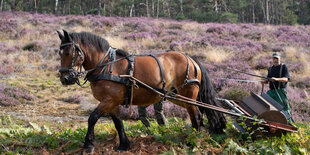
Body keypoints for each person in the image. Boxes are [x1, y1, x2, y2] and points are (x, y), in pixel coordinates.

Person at [262, 52, 293, 122]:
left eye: (277, 58)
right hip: (271, 92)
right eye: (274, 58)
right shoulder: (270, 68)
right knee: (267, 106)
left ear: (280, 59)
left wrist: (276, 79)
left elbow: (286, 79)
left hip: (280, 92)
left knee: (284, 109)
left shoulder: (283, 67)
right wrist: (264, 81)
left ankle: (290, 124)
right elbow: (268, 80)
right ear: (272, 59)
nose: (275, 60)